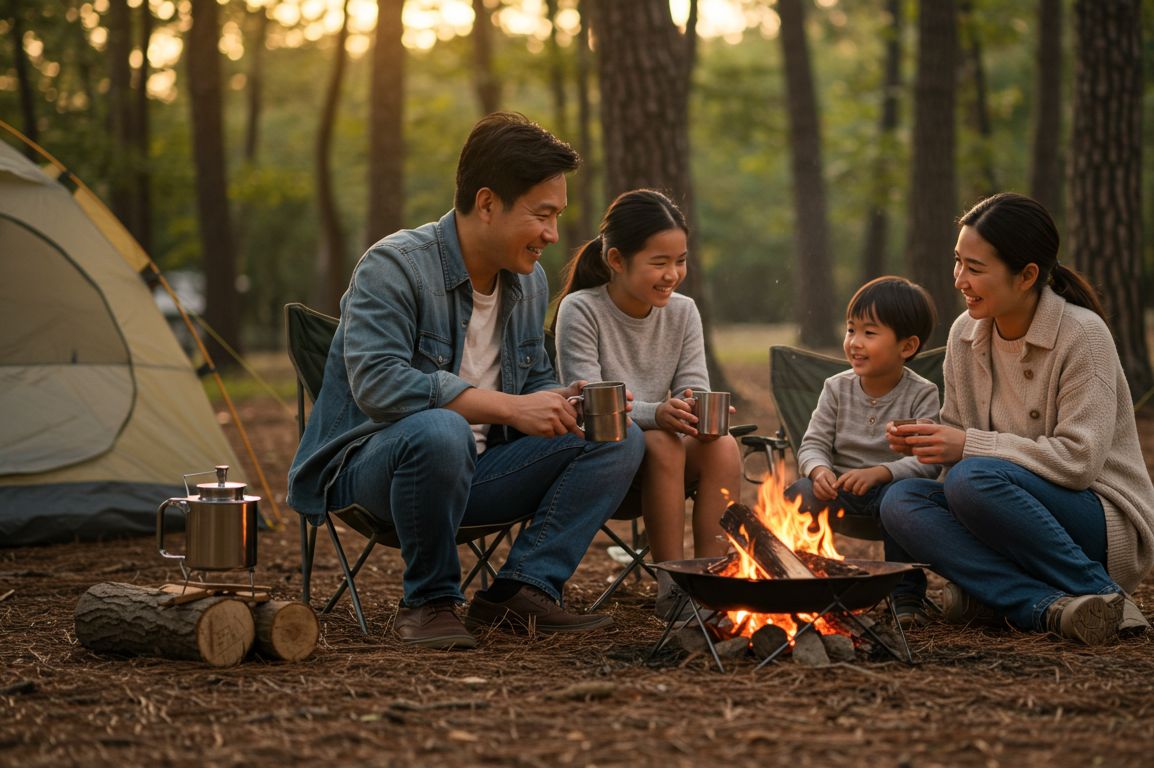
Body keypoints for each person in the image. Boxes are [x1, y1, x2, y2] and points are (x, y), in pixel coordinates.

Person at [287, 113, 646, 650]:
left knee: (617, 436)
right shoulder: (395, 267)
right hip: (377, 473)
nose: (553, 234)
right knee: (441, 431)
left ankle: (522, 590)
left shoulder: (528, 280)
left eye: (557, 216)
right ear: (486, 204)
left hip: (480, 475)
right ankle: (429, 601)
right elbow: (380, 385)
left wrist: (555, 401)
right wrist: (507, 408)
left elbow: (532, 382)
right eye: (542, 215)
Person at [880, 192, 1154, 646]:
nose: (958, 280)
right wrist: (924, 444)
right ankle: (1044, 606)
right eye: (957, 262)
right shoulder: (964, 335)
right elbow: (957, 448)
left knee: (972, 478)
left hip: (1099, 521)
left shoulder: (1083, 336)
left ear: (1027, 275)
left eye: (974, 268)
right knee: (900, 501)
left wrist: (966, 446)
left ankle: (1101, 591)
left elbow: (1078, 462)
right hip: (1000, 515)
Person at [552, 189, 741, 618]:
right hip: (607, 455)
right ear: (616, 259)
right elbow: (587, 400)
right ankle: (672, 585)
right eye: (659, 262)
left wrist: (698, 412)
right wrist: (656, 414)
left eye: (680, 260)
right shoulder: (581, 309)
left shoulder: (684, 312)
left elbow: (692, 386)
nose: (672, 274)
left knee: (724, 446)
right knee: (660, 442)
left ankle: (714, 580)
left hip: (667, 455)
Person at [783, 276, 944, 628]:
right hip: (841, 491)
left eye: (869, 333)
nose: (854, 342)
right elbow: (813, 444)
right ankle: (802, 578)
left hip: (891, 491)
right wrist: (819, 472)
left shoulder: (922, 393)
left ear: (907, 346)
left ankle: (906, 595)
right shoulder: (836, 388)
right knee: (799, 493)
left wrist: (881, 473)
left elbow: (926, 461)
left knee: (899, 501)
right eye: (851, 330)